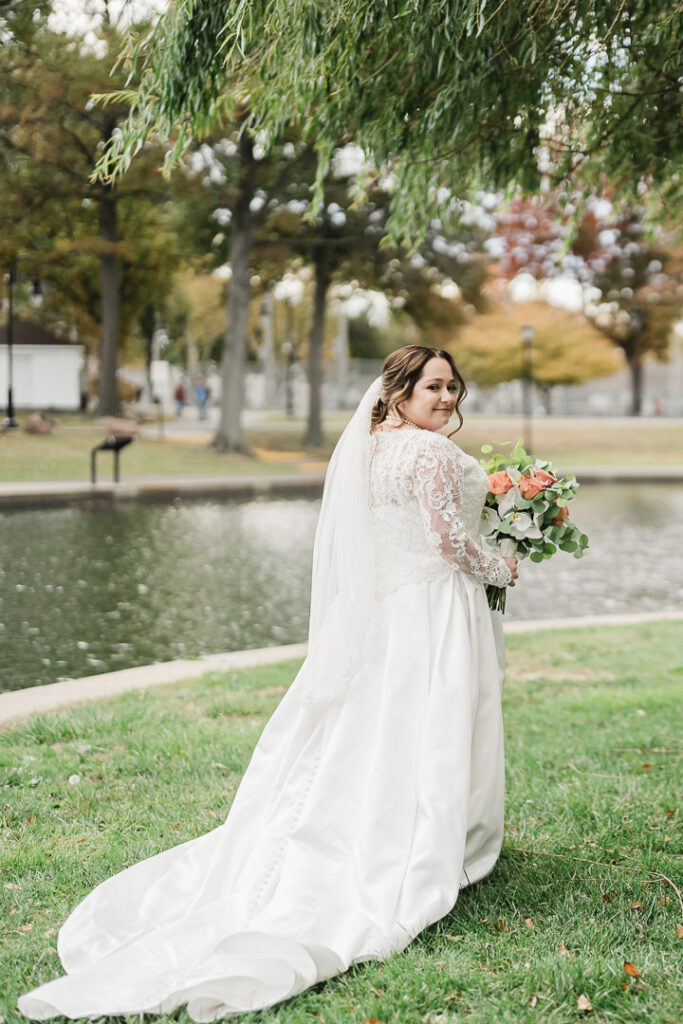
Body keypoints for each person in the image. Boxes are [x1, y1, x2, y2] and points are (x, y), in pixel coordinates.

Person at [18, 345, 518, 1021]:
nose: (447, 398)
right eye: (433, 386)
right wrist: (503, 565)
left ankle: (388, 822)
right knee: (429, 717)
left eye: (452, 386)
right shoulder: (428, 452)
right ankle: (424, 836)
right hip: (430, 605)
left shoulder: (370, 446)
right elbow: (447, 541)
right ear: (398, 391)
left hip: (387, 609)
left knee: (379, 722)